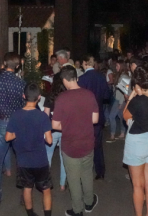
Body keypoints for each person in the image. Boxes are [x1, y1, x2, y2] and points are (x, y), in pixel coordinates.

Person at [52, 66, 99, 216]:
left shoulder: (62, 98)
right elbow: (95, 119)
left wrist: (67, 125)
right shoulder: (89, 95)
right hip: (87, 142)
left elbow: (55, 125)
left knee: (73, 178)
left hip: (70, 145)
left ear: (64, 80)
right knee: (86, 173)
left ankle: (77, 210)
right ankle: (89, 202)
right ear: (76, 78)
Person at [0, 52, 26, 207]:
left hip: (0, 123)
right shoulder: (21, 83)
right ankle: (24, 195)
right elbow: (25, 104)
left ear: (4, 64)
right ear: (18, 65)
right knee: (22, 160)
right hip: (18, 124)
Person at [122, 66, 148, 216]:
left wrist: (132, 96)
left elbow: (125, 116)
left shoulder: (137, 101)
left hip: (137, 143)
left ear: (138, 86)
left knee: (138, 186)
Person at [6, 83, 53, 216]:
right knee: (46, 189)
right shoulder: (43, 116)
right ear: (39, 97)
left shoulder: (15, 115)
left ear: (23, 96)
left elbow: (8, 137)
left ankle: (31, 214)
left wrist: (20, 133)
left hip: (23, 161)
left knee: (27, 188)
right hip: (40, 160)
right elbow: (49, 140)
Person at [78, 54, 111, 180]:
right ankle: (100, 171)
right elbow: (107, 95)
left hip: (84, 116)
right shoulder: (101, 77)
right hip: (98, 114)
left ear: (86, 63)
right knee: (97, 144)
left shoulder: (82, 79)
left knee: (83, 144)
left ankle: (84, 170)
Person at [43, 72, 68, 191]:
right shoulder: (67, 96)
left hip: (52, 130)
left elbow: (46, 115)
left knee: (48, 155)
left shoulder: (50, 96)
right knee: (63, 157)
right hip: (65, 129)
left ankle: (46, 181)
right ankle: (62, 184)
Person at [107, 60, 128, 142]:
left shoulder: (124, 77)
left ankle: (112, 135)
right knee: (121, 116)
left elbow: (125, 91)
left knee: (111, 116)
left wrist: (120, 103)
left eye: (118, 66)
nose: (116, 68)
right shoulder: (121, 75)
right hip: (118, 98)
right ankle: (122, 133)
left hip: (120, 100)